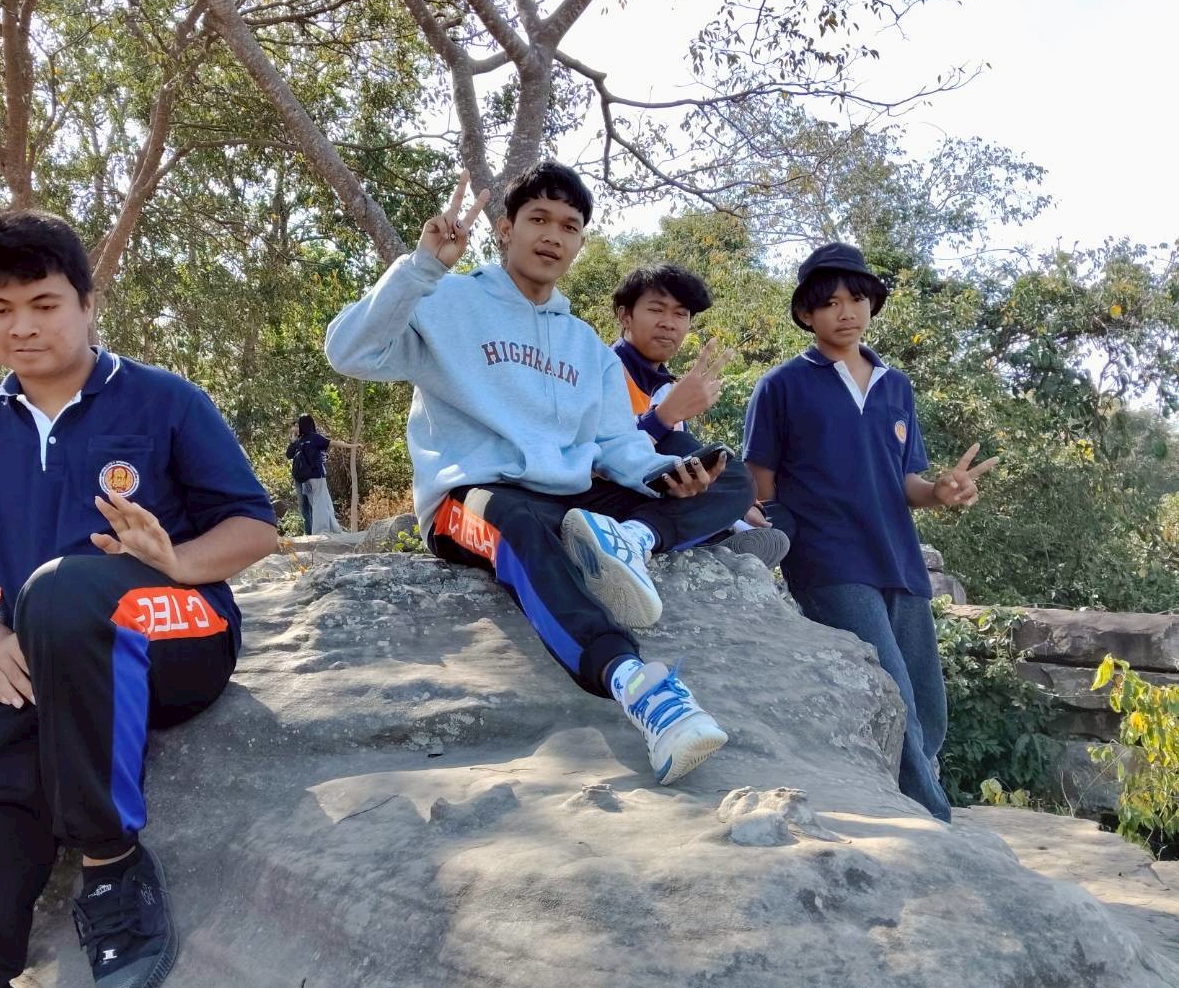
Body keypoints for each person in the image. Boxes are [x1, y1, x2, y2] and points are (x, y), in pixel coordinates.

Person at [0, 210, 278, 988]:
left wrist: (176, 560)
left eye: (44, 304)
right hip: (42, 661)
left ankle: (110, 861)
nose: (22, 327)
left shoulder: (163, 401)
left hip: (177, 634)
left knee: (65, 586)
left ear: (87, 303)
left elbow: (253, 527)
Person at [326, 160, 754, 787]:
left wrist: (666, 474)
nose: (553, 236)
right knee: (518, 522)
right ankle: (638, 686)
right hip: (474, 497)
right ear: (506, 228)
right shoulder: (446, 299)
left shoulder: (586, 346)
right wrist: (420, 268)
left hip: (571, 498)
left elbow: (614, 444)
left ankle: (633, 539)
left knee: (731, 476)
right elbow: (348, 351)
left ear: (580, 243)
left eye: (570, 226)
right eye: (539, 219)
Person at [741, 242, 996, 822]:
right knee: (893, 692)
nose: (847, 312)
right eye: (830, 302)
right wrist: (783, 544)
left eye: (857, 299)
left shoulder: (895, 385)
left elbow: (906, 481)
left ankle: (907, 802)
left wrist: (941, 492)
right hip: (828, 561)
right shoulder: (781, 386)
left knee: (927, 703)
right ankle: (934, 824)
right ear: (806, 313)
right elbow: (761, 483)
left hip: (899, 558)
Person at [610, 264, 791, 569]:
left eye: (680, 314)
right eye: (656, 310)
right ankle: (656, 535)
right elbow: (597, 453)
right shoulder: (602, 367)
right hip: (606, 491)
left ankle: (718, 527)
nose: (669, 324)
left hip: (659, 492)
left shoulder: (667, 387)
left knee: (754, 497)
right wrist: (661, 419)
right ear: (625, 316)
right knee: (681, 447)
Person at [285, 413, 353, 534]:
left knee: (318, 503)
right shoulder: (314, 438)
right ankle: (321, 530)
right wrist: (352, 446)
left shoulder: (300, 441)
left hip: (305, 479)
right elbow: (333, 443)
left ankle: (328, 528)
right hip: (317, 476)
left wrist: (294, 440)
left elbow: (289, 454)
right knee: (320, 503)